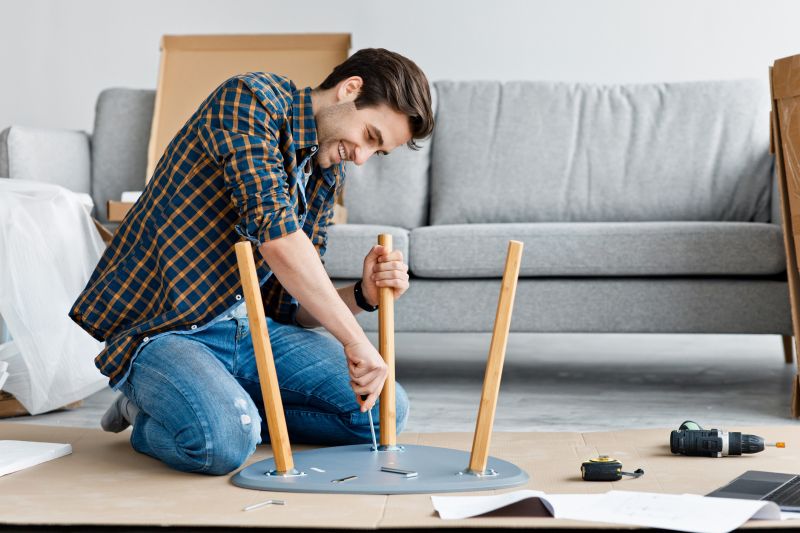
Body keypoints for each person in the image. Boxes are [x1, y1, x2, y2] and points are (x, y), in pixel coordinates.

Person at [69, 48, 435, 475]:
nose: (362, 157)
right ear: (349, 90)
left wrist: (363, 295)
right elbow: (277, 238)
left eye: (378, 151)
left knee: (384, 411)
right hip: (166, 330)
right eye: (370, 136)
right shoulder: (251, 99)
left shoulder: (324, 172)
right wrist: (355, 339)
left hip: (254, 329)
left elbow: (287, 307)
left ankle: (223, 403)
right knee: (223, 444)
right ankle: (145, 411)